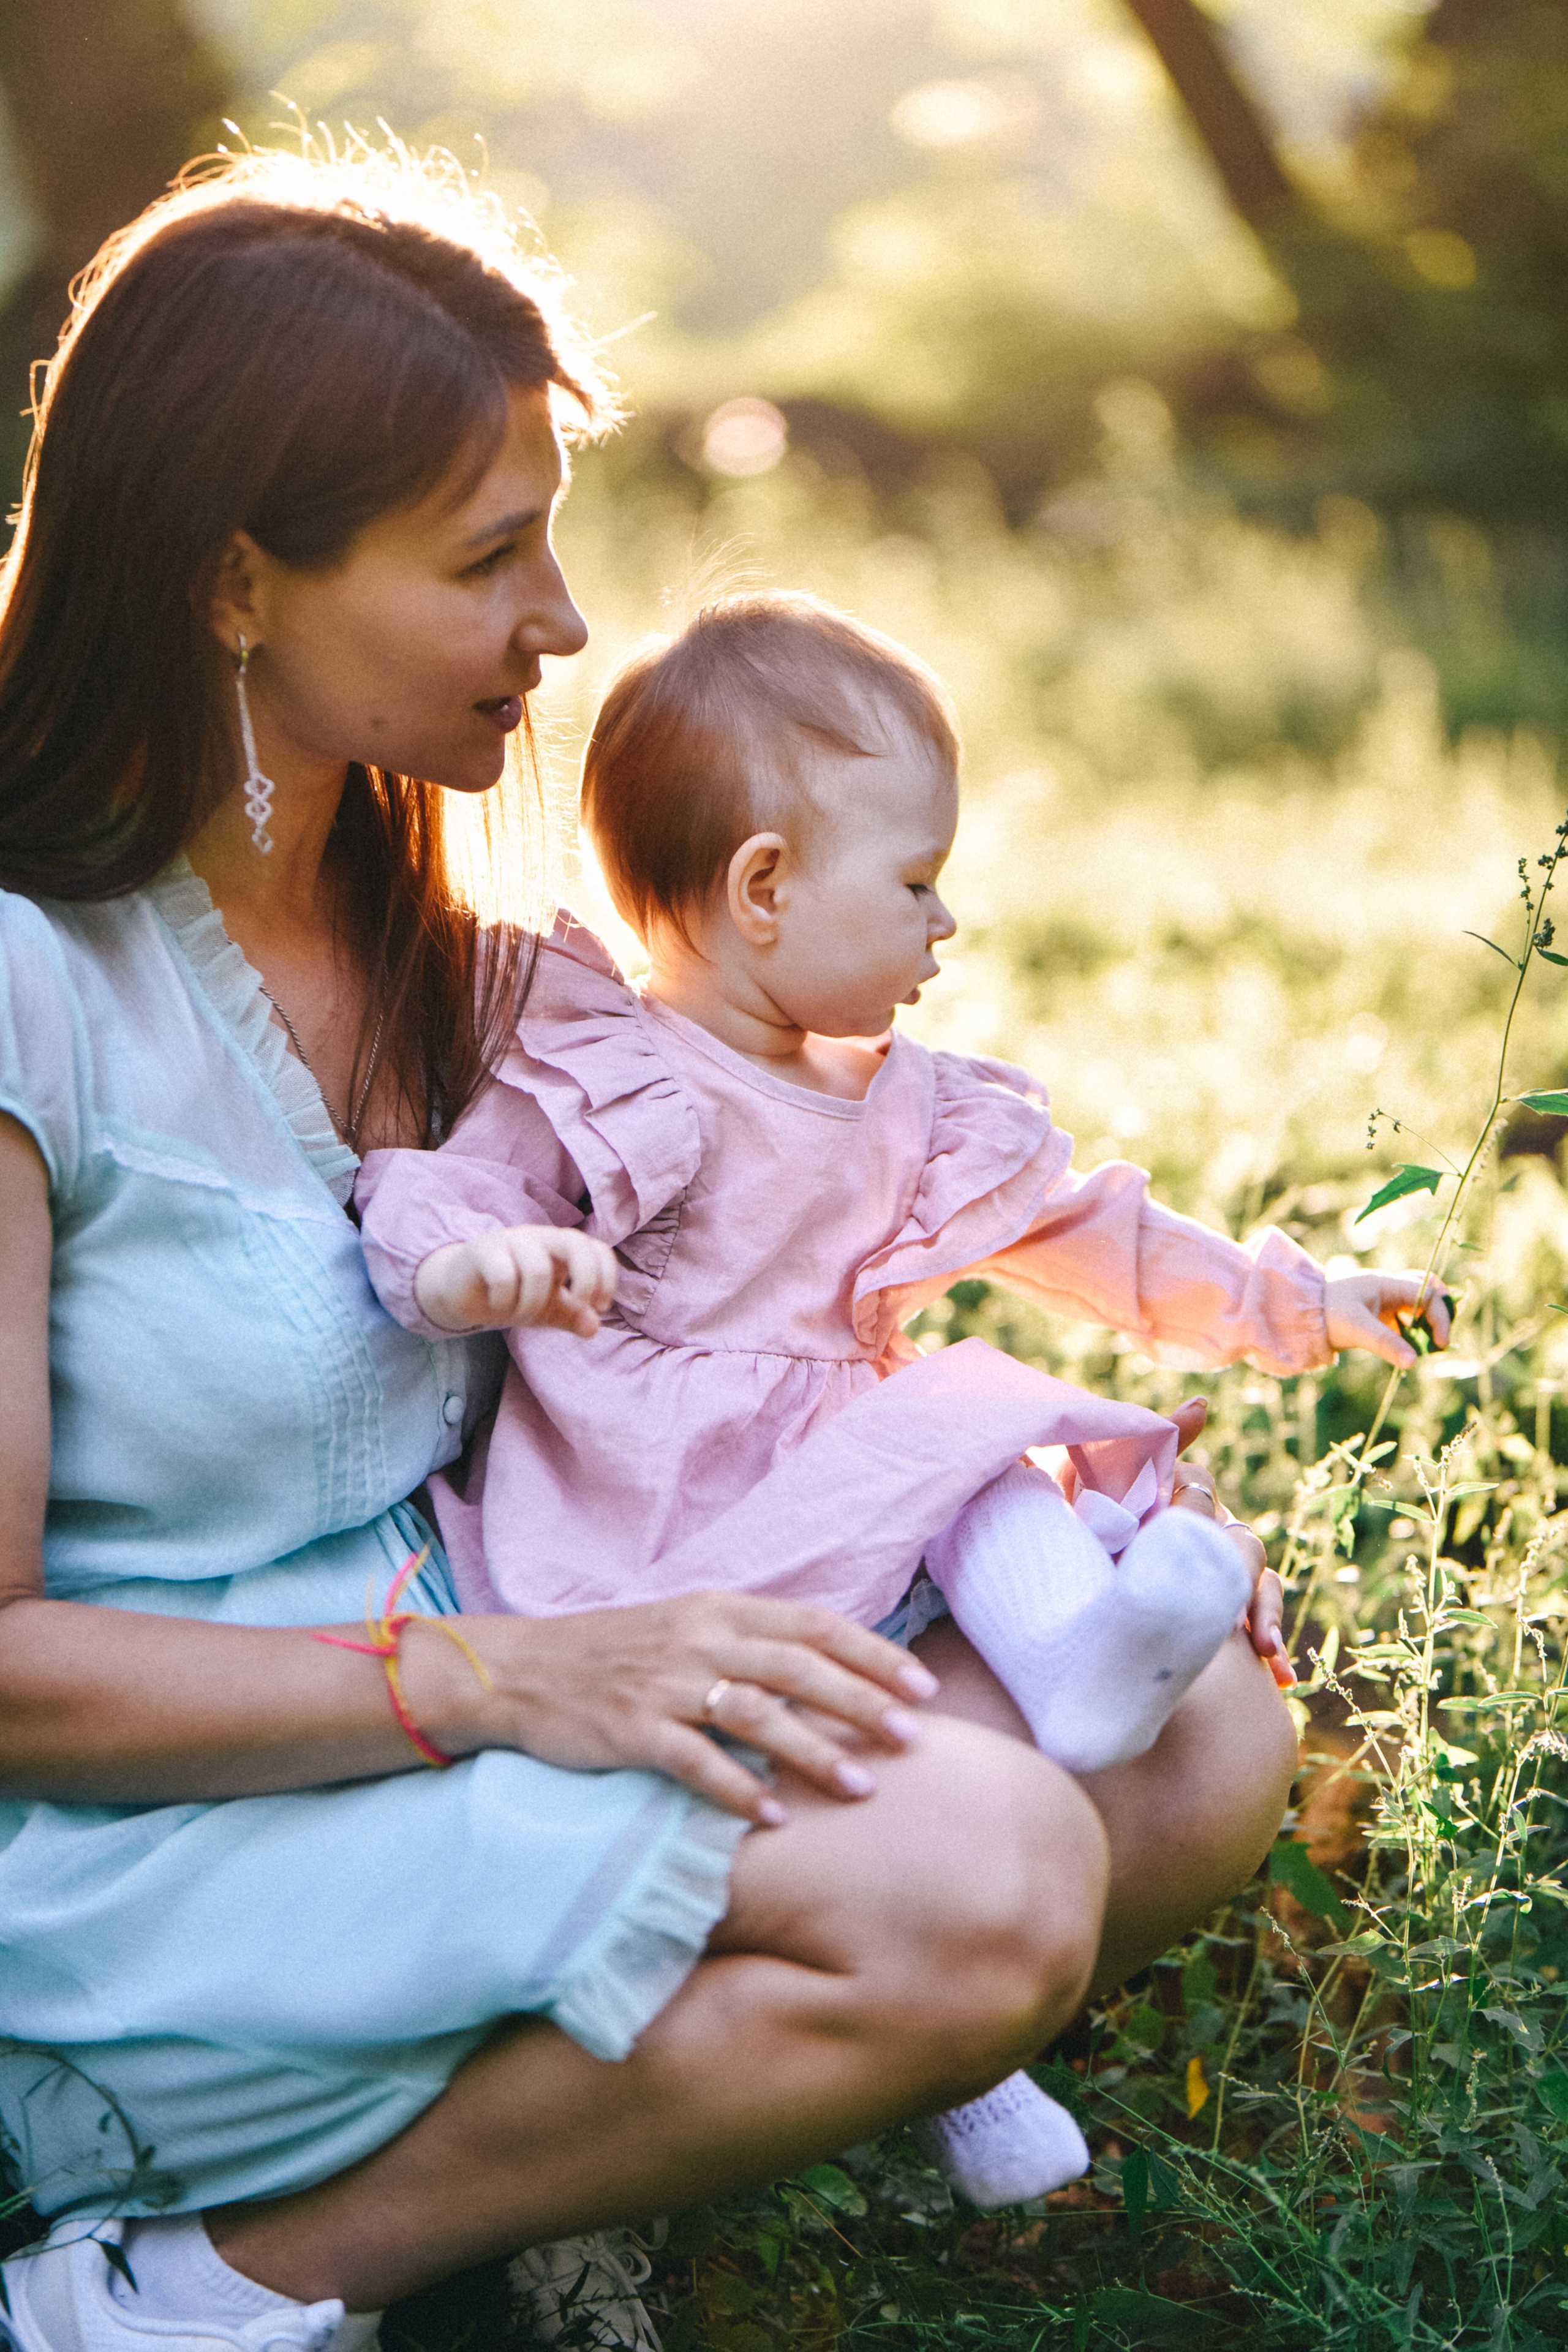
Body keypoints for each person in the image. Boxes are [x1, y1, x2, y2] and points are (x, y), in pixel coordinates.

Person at [0, 138, 1302, 2352]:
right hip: (173, 1824)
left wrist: (950, 1497)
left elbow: (728, 1306)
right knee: (987, 1886)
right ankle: (198, 2285)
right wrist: (508, 1682)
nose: (569, 626)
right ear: (238, 583)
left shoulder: (468, 965)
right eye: (489, 557)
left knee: (1192, 1750)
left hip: (508, 1668)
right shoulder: (33, 981)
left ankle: (587, 2150)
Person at [355, 590, 1449, 2211]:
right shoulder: (621, 1072)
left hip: (834, 1475)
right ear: (767, 888)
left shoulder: (900, 1107)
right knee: (840, 1665)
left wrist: (1296, 1299)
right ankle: (970, 2074)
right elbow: (434, 1190)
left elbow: (1097, 1235)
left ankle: (1072, 1683)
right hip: (655, 1523)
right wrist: (476, 1271)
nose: (948, 927)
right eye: (920, 883)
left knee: (979, 1437)